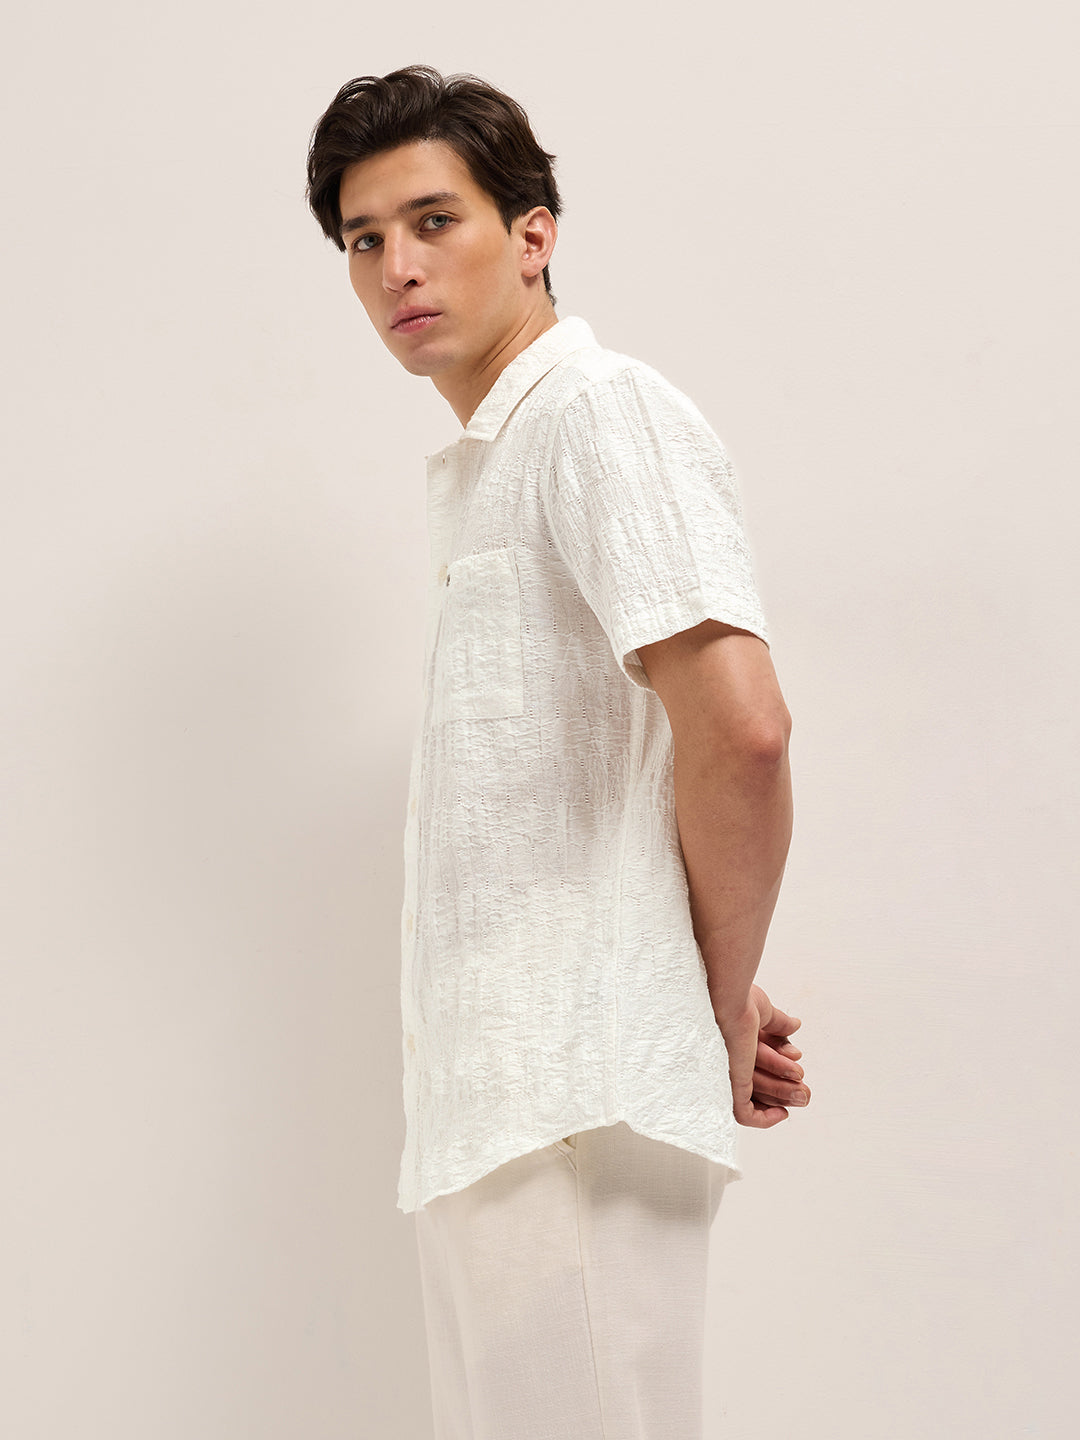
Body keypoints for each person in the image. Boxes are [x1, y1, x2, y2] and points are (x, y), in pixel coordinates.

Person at [305, 64, 810, 1440]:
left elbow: (744, 728)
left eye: (434, 220)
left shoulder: (594, 412)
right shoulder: (501, 461)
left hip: (569, 1105)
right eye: (363, 239)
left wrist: (711, 998)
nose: (398, 267)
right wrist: (687, 965)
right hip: (494, 1115)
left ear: (533, 233)